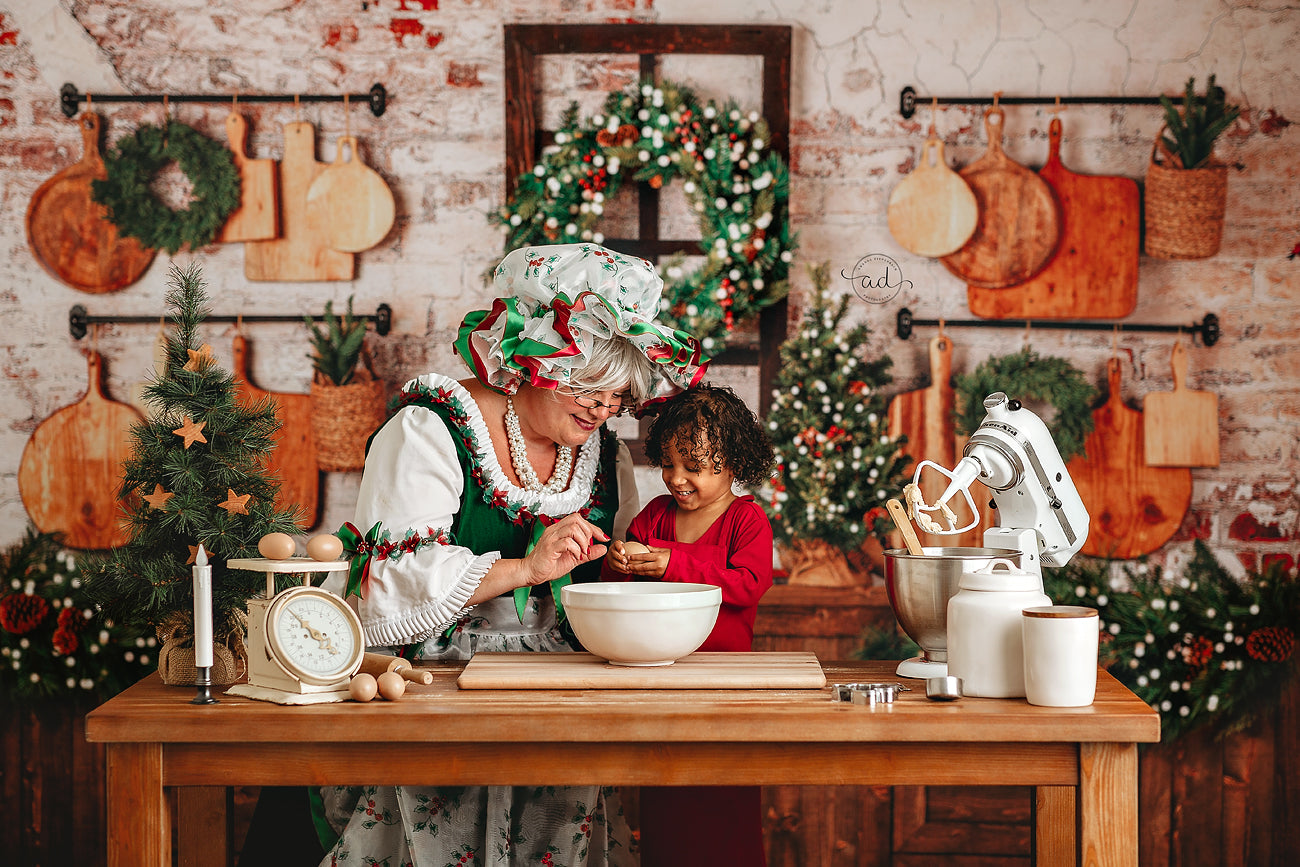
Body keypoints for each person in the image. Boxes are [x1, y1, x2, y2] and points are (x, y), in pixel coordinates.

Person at [312, 242, 708, 867]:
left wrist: (632, 566)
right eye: (586, 386)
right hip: (436, 685)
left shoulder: (606, 454)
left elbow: (613, 582)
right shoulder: (431, 428)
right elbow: (388, 588)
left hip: (566, 697)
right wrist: (527, 569)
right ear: (531, 359)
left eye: (616, 396)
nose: (603, 410)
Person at [602, 383, 776, 867]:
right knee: (666, 798)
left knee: (725, 803)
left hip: (726, 687)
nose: (677, 479)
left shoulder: (747, 520)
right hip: (660, 682)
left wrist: (671, 562)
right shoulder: (656, 515)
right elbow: (616, 588)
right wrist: (619, 560)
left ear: (734, 464)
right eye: (668, 463)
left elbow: (748, 584)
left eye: (694, 468)